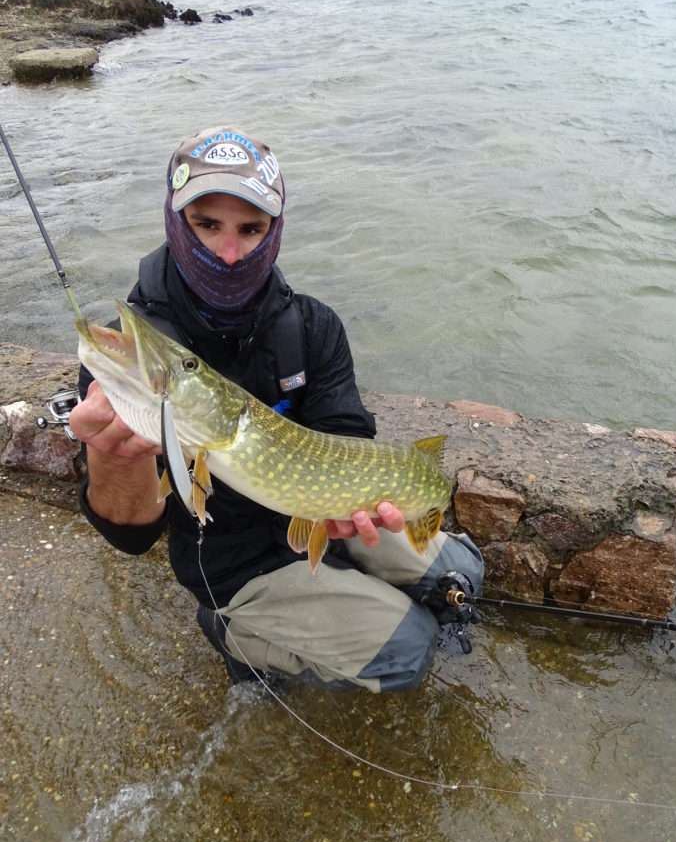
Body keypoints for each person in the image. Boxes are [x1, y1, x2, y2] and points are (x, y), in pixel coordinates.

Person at [70, 126, 484, 692]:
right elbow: (132, 537)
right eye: (206, 224)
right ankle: (238, 632)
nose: (229, 251)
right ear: (174, 220)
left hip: (314, 513)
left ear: (275, 232)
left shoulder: (313, 325)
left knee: (462, 574)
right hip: (236, 565)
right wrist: (112, 458)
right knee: (406, 650)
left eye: (251, 228)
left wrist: (350, 503)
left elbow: (345, 435)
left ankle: (344, 584)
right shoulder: (127, 365)